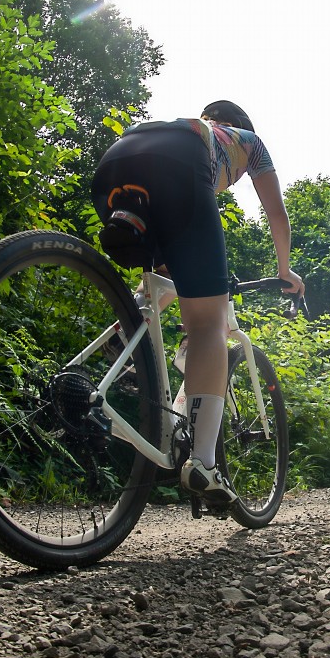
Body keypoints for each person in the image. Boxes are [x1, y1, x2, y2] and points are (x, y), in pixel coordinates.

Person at [90, 100, 304, 504]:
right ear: (237, 126)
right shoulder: (249, 142)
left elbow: (177, 271)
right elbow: (276, 213)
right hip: (179, 166)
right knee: (208, 323)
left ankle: (121, 343)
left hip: (116, 165)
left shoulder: (189, 126)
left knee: (161, 283)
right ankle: (203, 465)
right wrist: (284, 269)